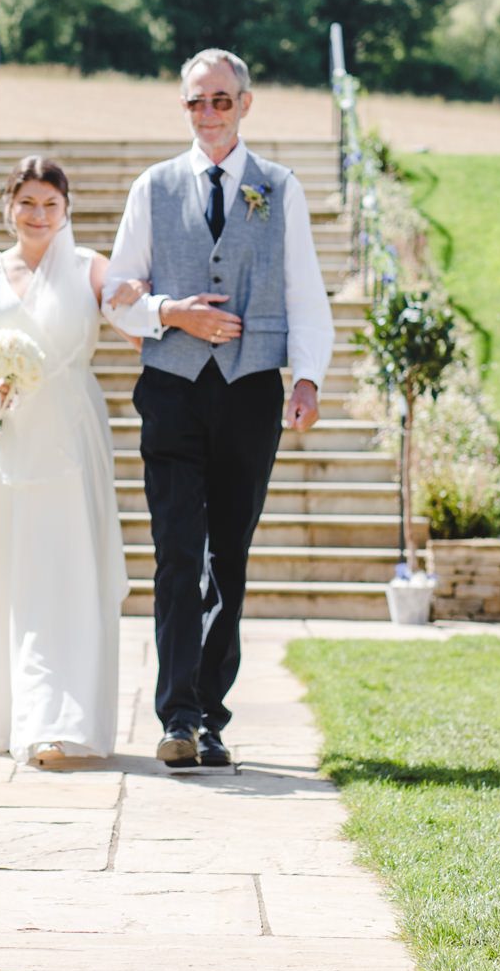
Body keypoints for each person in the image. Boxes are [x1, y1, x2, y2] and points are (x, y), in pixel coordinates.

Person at [101, 48, 335, 768]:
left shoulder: (279, 188)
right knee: (178, 551)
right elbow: (117, 292)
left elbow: (305, 289)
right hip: (171, 388)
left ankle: (212, 713)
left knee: (227, 556)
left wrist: (309, 378)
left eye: (221, 101)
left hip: (250, 390)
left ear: (246, 104)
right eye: (195, 102)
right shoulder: (154, 186)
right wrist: (171, 311)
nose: (208, 114)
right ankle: (177, 714)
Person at [0, 156, 131, 767]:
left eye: (50, 203)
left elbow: (137, 322)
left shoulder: (91, 268)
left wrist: (150, 303)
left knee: (63, 569)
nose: (38, 215)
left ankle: (56, 720)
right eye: (27, 203)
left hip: (68, 434)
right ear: (9, 207)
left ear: (66, 208)